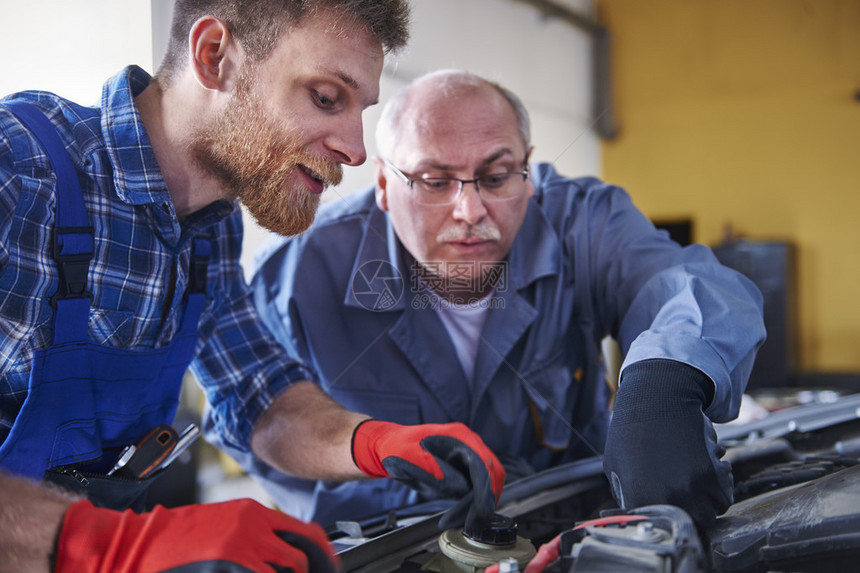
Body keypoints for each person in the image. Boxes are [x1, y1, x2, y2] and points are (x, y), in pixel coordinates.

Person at [1, 3, 506, 572]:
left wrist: (373, 443)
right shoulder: (16, 171)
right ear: (214, 56)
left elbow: (258, 396)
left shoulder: (211, 228)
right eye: (324, 97)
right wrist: (108, 546)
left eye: (359, 110)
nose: (355, 149)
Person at [239, 69, 767, 531]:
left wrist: (665, 382)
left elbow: (690, 284)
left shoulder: (579, 222)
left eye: (495, 177)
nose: (469, 209)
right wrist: (412, 488)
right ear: (383, 182)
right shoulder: (297, 276)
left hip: (564, 533)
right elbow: (257, 429)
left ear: (529, 170)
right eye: (433, 180)